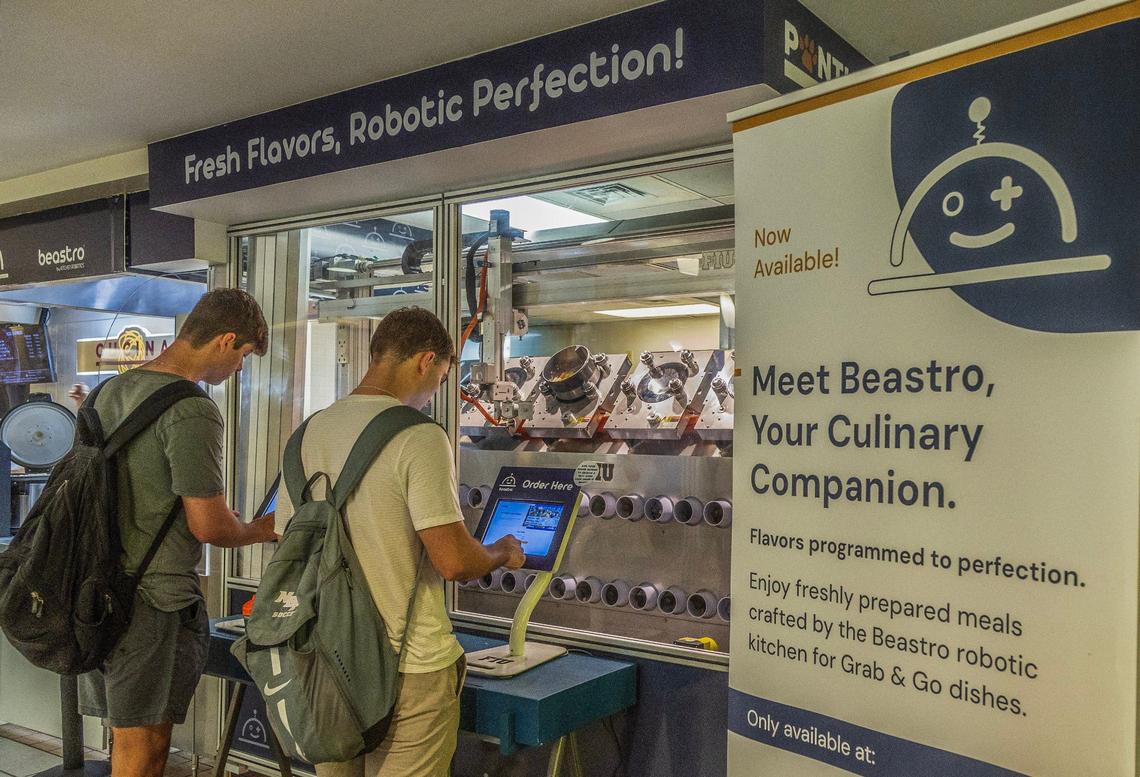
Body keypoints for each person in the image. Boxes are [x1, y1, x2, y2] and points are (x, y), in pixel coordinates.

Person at [273, 306, 525, 777]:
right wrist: (501, 551)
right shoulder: (419, 436)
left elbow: (285, 541)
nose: (434, 393)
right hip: (409, 665)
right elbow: (451, 561)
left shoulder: (306, 434)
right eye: (442, 377)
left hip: (326, 662)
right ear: (426, 360)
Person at [78, 289, 279, 777]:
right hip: (153, 601)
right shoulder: (192, 408)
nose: (239, 370)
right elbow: (207, 524)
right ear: (226, 341)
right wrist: (260, 529)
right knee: (143, 745)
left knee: (124, 738)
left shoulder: (108, 393)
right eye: (244, 357)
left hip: (96, 591)